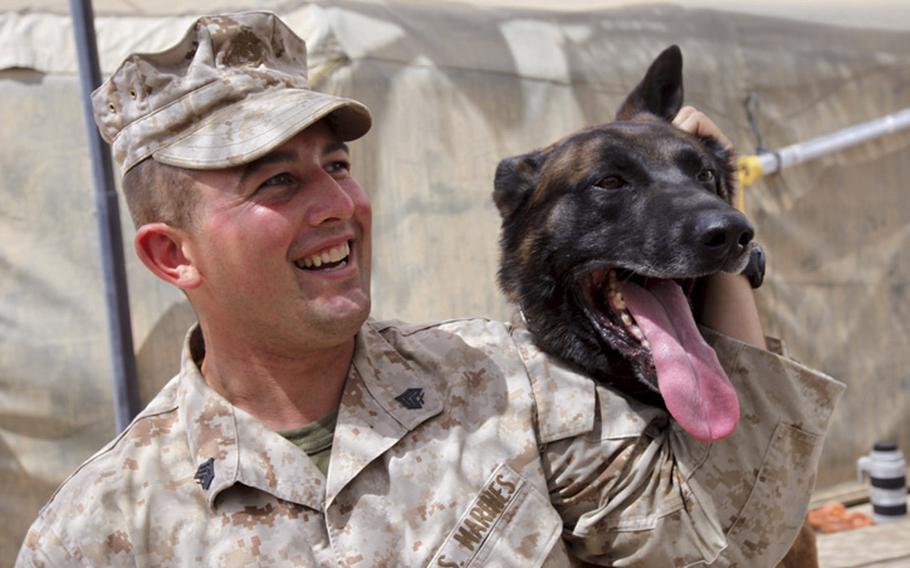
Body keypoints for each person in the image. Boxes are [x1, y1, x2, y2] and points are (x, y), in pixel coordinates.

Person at [17, 11, 843, 567]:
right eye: (277, 183)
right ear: (172, 256)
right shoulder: (100, 530)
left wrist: (718, 230)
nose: (338, 206)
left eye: (336, 165)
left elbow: (725, 543)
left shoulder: (513, 383)